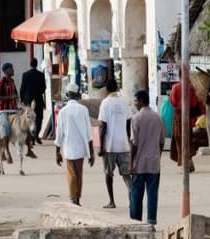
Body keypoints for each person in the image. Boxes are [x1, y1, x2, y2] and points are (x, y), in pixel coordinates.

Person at [129, 89, 165, 226]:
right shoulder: (158, 118)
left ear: (142, 101)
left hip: (139, 163)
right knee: (152, 193)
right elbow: (161, 142)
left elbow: (134, 143)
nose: (135, 104)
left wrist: (131, 163)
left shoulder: (136, 118)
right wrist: (158, 156)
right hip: (153, 163)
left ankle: (135, 221)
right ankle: (151, 221)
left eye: (136, 101)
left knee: (136, 194)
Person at [55, 85, 94, 205]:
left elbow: (59, 133)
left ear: (67, 95)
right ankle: (77, 198)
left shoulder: (63, 112)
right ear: (78, 95)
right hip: (81, 148)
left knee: (71, 174)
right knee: (79, 173)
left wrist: (57, 152)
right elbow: (89, 132)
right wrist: (91, 152)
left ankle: (73, 198)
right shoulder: (83, 110)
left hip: (69, 148)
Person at [98, 78, 132, 209]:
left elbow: (103, 127)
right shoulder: (125, 101)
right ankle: (131, 198)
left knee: (108, 174)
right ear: (117, 88)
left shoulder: (105, 103)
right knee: (127, 175)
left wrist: (101, 147)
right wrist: (129, 141)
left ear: (107, 89)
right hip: (123, 145)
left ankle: (112, 201)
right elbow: (129, 123)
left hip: (110, 146)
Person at [169, 77, 203, 173]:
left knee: (179, 139)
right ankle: (189, 162)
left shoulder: (175, 87)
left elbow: (173, 102)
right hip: (188, 115)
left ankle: (185, 164)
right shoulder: (192, 88)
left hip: (179, 115)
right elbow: (195, 102)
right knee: (188, 139)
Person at [19, 57, 47, 144]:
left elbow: (22, 89)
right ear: (36, 64)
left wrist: (22, 100)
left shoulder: (25, 75)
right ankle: (36, 136)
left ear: (30, 64)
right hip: (38, 100)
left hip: (28, 101)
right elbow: (44, 88)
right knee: (39, 118)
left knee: (29, 119)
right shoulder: (41, 75)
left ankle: (30, 137)